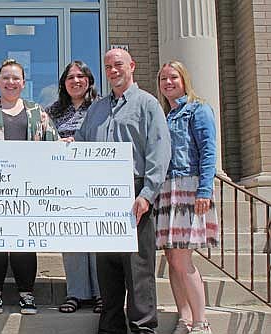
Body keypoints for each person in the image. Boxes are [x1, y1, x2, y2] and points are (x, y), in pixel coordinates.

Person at [73, 48, 171, 333]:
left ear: (132, 66)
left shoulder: (147, 104)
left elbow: (159, 152)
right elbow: (82, 142)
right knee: (108, 268)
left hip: (135, 192)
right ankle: (111, 328)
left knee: (138, 270)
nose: (113, 70)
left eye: (118, 65)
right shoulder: (97, 108)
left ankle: (143, 328)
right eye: (108, 66)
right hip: (102, 195)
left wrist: (147, 194)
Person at [0, 58, 59, 315]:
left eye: (16, 78)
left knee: (25, 241)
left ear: (23, 83)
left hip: (28, 188)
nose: (11, 82)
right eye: (6, 78)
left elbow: (52, 142)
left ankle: (26, 293)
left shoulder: (37, 111)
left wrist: (67, 147)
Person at [155, 61, 218, 334]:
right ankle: (185, 318)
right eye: (163, 79)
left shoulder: (198, 109)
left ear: (184, 80)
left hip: (189, 186)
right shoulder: (165, 115)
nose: (168, 83)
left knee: (182, 259)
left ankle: (201, 321)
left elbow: (208, 151)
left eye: (173, 77)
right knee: (171, 258)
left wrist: (204, 190)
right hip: (166, 188)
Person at [45, 60, 102, 313]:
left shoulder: (102, 107)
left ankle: (102, 294)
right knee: (72, 237)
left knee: (98, 240)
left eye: (81, 76)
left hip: (96, 181)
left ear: (89, 80)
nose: (76, 81)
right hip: (64, 182)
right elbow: (43, 141)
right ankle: (76, 293)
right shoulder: (52, 112)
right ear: (63, 83)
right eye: (70, 77)